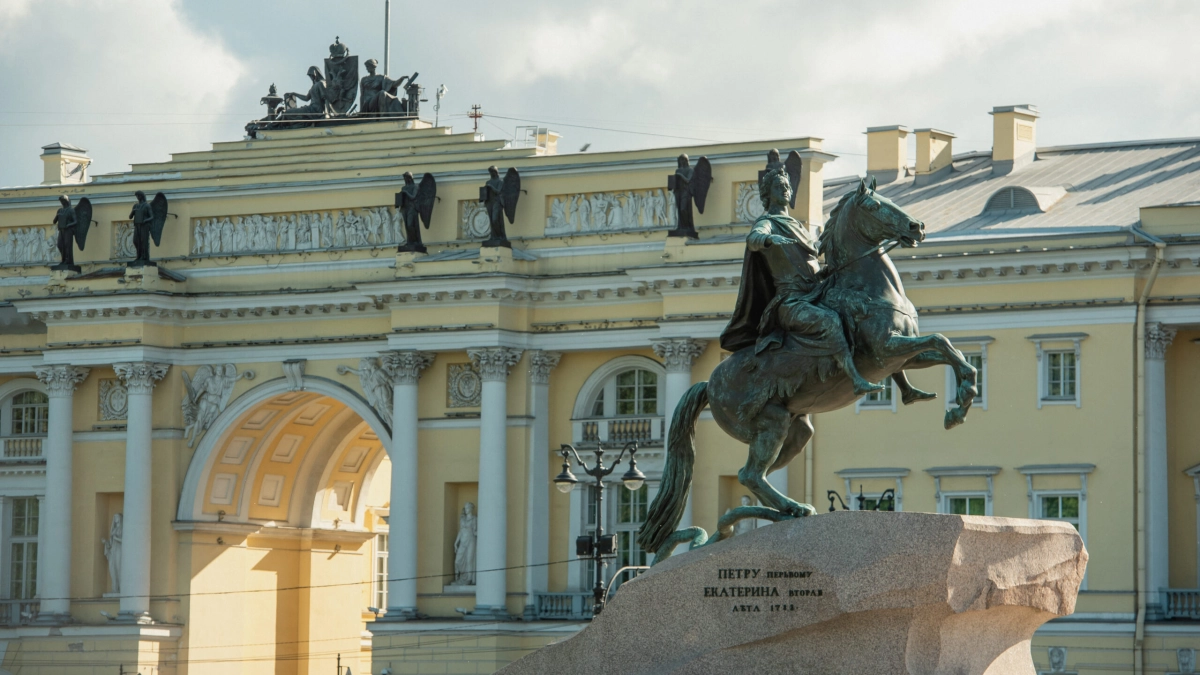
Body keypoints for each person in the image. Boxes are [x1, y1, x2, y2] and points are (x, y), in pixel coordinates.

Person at [719, 165, 883, 397]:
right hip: (791, 302)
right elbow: (753, 238)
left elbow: (813, 261)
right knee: (830, 321)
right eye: (779, 186)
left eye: (787, 186)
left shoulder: (800, 227)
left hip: (815, 293)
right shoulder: (768, 222)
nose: (786, 189)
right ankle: (855, 379)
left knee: (862, 308)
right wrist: (767, 239)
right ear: (768, 194)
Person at [453, 502, 477, 586]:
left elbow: (475, 531)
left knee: (469, 560)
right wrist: (456, 542)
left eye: (467, 508)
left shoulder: (474, 519)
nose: (466, 510)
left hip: (471, 540)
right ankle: (462, 578)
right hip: (463, 541)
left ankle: (469, 579)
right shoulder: (462, 519)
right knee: (457, 561)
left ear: (471, 509)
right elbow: (461, 531)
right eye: (465, 508)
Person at [129, 190, 154, 265]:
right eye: (136, 196)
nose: (137, 197)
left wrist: (146, 220)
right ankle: (138, 256)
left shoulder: (147, 205)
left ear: (142, 196)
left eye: (138, 195)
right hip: (137, 226)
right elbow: (130, 217)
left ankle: (144, 257)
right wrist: (133, 211)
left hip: (144, 226)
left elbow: (152, 216)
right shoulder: (135, 206)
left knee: (143, 241)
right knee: (136, 241)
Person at [52, 195, 77, 268]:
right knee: (60, 245)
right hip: (61, 230)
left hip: (68, 230)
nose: (62, 203)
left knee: (67, 246)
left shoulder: (71, 210)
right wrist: (58, 216)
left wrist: (68, 225)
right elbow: (54, 221)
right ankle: (63, 260)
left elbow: (75, 221)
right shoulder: (60, 210)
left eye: (63, 201)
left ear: (66, 201)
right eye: (61, 201)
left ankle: (68, 261)